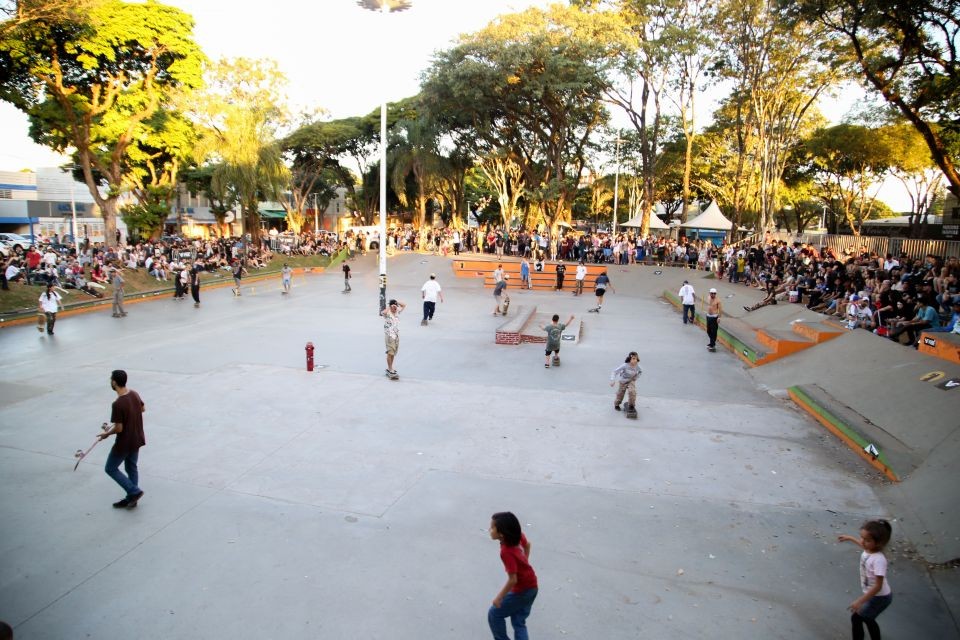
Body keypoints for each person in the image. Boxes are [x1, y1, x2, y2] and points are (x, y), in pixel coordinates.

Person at [98, 369, 146, 509]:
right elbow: (142, 409)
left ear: (114, 382)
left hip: (124, 443)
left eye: (110, 379)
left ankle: (134, 491)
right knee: (131, 468)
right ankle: (132, 498)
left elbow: (119, 429)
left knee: (110, 468)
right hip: (136, 438)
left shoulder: (118, 404)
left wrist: (106, 434)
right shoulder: (134, 394)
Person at [838, 520, 893, 640]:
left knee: (860, 618)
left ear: (878, 543)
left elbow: (878, 586)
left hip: (880, 597)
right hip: (874, 595)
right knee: (866, 618)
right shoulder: (869, 549)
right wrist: (850, 538)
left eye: (867, 540)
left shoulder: (879, 560)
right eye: (861, 537)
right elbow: (863, 546)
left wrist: (859, 601)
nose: (862, 542)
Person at [488, 512, 537, 640]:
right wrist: (524, 561)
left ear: (501, 534)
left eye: (492, 527)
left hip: (522, 590)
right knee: (518, 622)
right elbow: (527, 545)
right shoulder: (517, 535)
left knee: (494, 614)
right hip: (532, 586)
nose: (489, 530)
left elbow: (513, 579)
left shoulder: (506, 552)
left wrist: (499, 598)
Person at [380, 299, 405, 378]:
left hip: (396, 335)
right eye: (393, 306)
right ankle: (390, 369)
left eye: (396, 306)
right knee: (390, 352)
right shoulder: (388, 313)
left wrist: (396, 303)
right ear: (390, 306)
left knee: (393, 353)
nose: (395, 308)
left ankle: (390, 368)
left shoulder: (397, 311)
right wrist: (389, 306)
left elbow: (404, 305)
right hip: (389, 336)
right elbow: (382, 313)